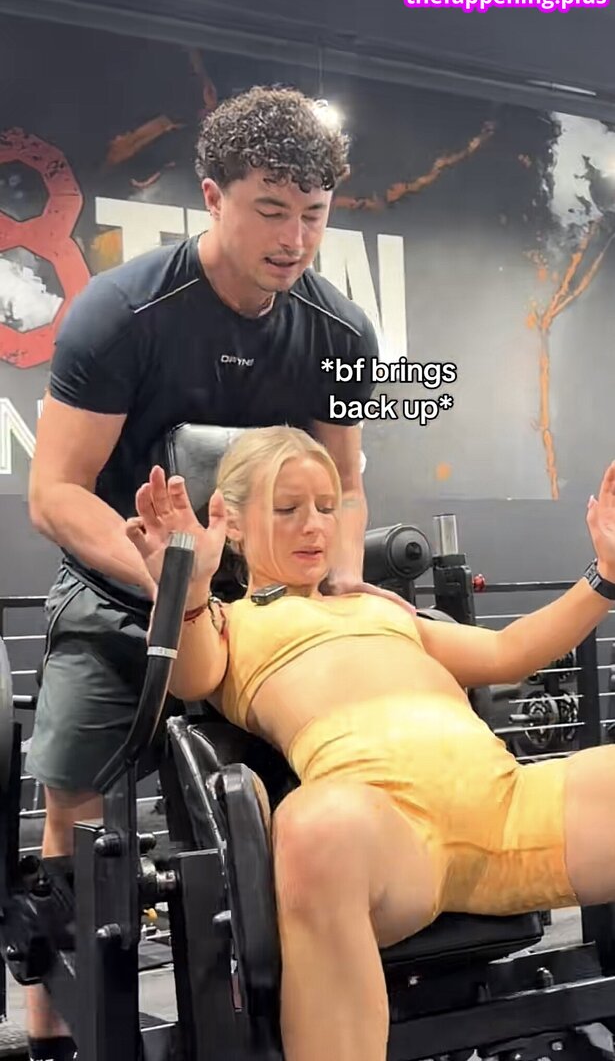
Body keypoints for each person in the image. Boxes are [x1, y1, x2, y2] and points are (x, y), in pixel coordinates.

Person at [25, 85, 386, 1060]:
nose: (294, 238)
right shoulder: (121, 314)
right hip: (123, 593)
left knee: (307, 796)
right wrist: (172, 579)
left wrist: (337, 580)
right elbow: (55, 494)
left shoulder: (340, 332)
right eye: (270, 209)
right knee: (77, 802)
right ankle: (53, 1037)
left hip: (262, 609)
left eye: (313, 214)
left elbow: (347, 485)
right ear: (213, 196)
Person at [128, 424, 615, 1061]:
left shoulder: (382, 609)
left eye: (326, 507)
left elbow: (507, 651)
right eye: (287, 508)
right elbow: (190, 676)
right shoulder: (228, 622)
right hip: (394, 839)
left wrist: (605, 574)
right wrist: (187, 589)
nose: (313, 526)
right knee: (317, 825)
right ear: (232, 520)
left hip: (510, 807)